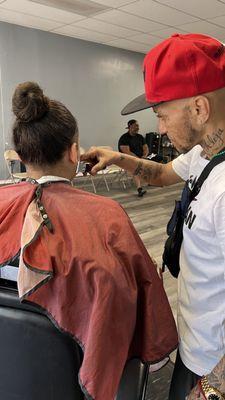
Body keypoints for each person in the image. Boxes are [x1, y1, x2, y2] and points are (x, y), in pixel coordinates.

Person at [0, 82, 178, 400]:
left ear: (22, 156)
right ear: (74, 152)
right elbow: (137, 298)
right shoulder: (106, 215)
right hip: (71, 375)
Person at [81, 33, 225, 400]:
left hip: (213, 371)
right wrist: (117, 158)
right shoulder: (202, 154)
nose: (158, 128)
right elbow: (161, 175)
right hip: (195, 349)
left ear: (199, 109)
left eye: (161, 114)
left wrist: (212, 388)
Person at [118, 119, 149, 196]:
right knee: (136, 167)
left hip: (141, 158)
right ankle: (139, 189)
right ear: (130, 127)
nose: (137, 128)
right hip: (127, 159)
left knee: (158, 159)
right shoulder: (124, 138)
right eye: (136, 126)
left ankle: (152, 181)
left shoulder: (140, 137)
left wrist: (144, 156)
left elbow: (146, 148)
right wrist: (138, 159)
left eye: (138, 126)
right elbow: (127, 152)